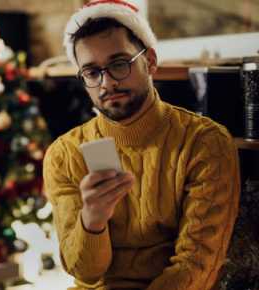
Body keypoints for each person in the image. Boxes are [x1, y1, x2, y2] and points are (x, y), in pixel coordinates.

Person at [42, 1, 241, 289]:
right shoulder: (64, 154)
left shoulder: (204, 142)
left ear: (149, 61)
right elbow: (84, 273)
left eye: (119, 64)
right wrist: (92, 219)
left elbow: (196, 265)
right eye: (92, 72)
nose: (107, 83)